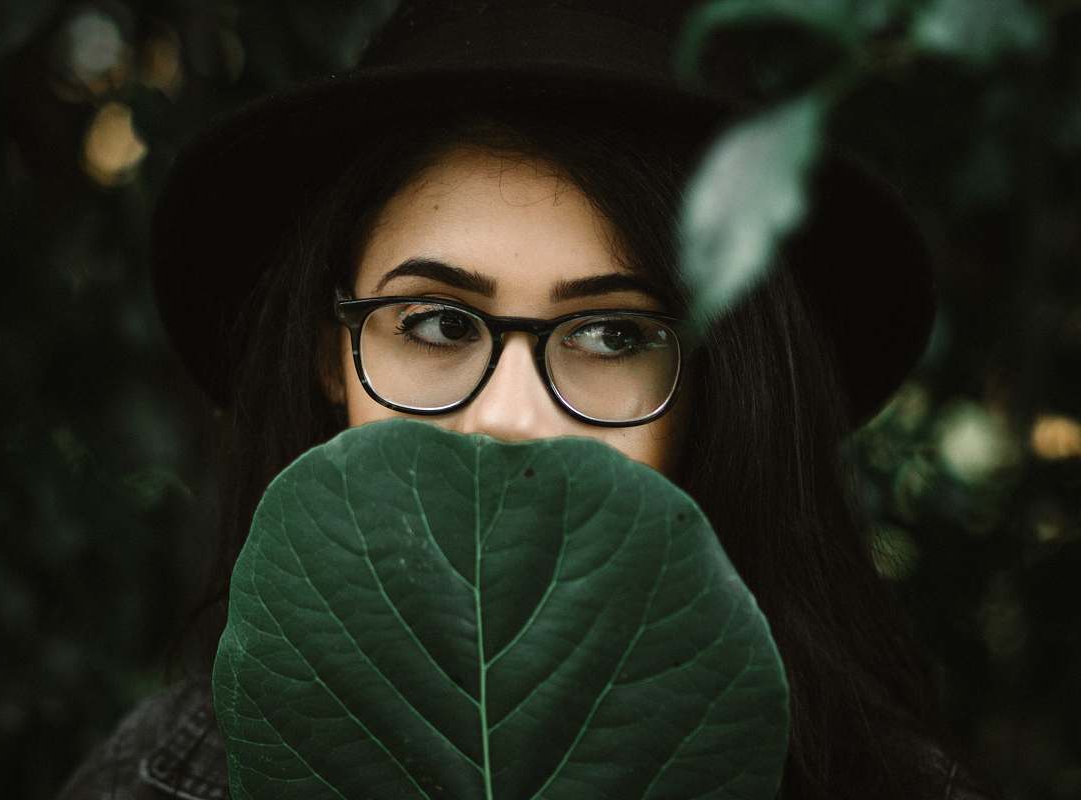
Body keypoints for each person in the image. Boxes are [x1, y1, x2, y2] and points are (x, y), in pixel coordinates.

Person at [56, 1, 1003, 798]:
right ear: (331, 358)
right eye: (435, 323)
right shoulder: (156, 782)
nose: (509, 419)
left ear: (719, 388)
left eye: (612, 335)